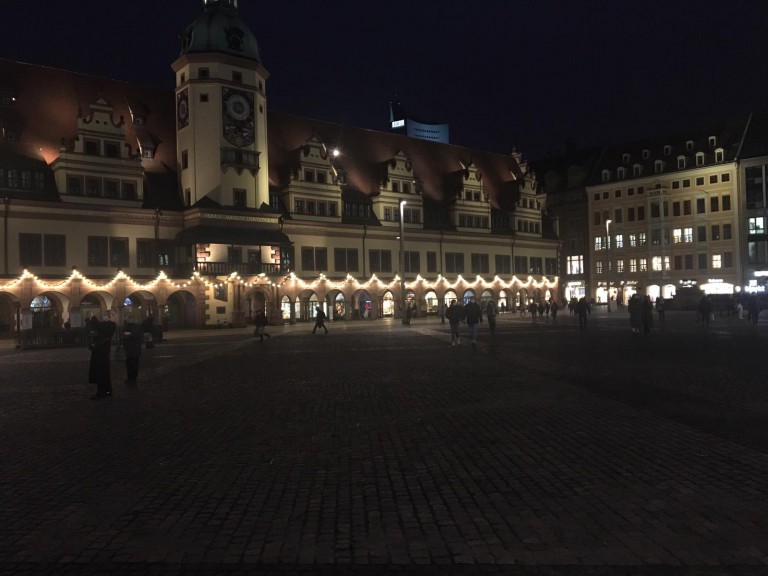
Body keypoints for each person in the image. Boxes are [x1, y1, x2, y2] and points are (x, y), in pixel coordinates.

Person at [89, 316, 116, 399]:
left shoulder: (104, 328)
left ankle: (102, 392)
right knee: (105, 372)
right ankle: (107, 390)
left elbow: (97, 333)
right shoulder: (108, 327)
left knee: (100, 372)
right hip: (103, 352)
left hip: (100, 352)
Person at [122, 320, 142, 386]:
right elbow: (124, 336)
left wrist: (128, 334)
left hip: (134, 350)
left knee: (133, 365)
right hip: (130, 350)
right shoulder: (128, 327)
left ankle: (133, 379)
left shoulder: (136, 327)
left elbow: (136, 336)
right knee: (129, 365)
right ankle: (130, 378)